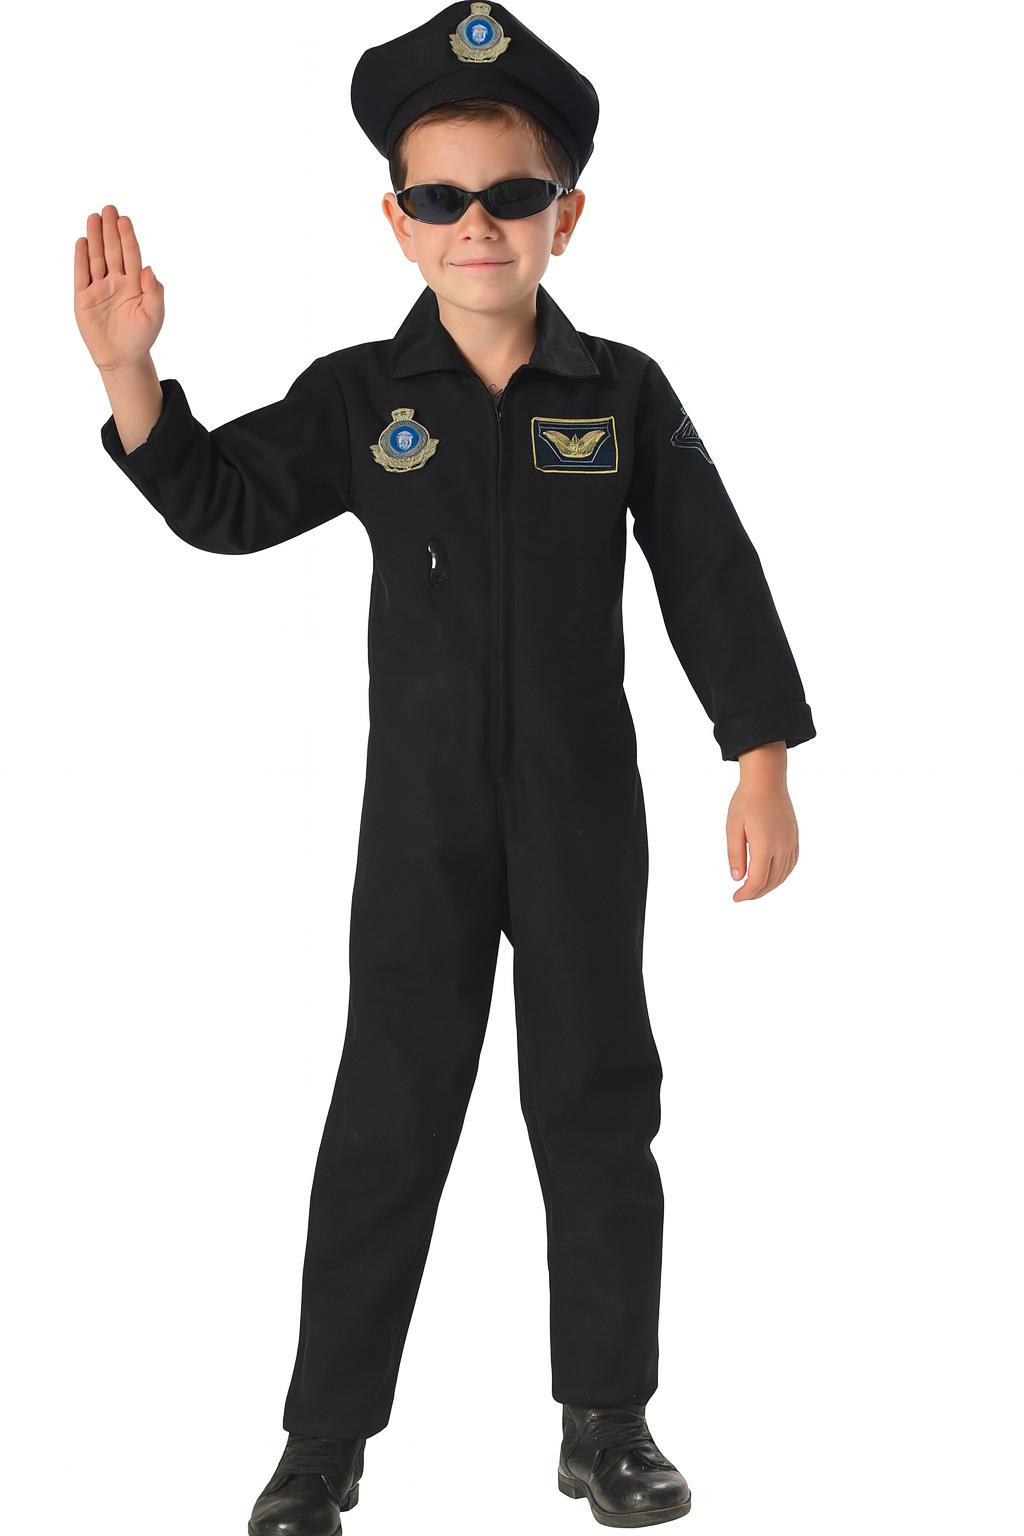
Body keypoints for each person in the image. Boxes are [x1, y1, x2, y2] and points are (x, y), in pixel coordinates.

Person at [74, 3, 816, 1529]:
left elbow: (712, 575)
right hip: (420, 826)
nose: (478, 224)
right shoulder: (365, 399)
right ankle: (322, 1445)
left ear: (566, 217)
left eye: (512, 195)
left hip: (580, 816)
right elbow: (223, 503)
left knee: (598, 1100)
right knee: (389, 1112)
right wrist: (137, 378)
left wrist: (760, 760)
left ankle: (607, 1420)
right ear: (398, 222)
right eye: (441, 196)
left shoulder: (620, 395)